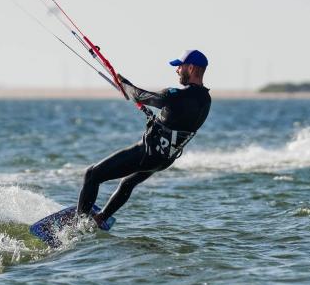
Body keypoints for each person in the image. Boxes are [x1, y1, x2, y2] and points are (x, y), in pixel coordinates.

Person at [77, 49, 212, 228]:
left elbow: (142, 96)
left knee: (92, 174)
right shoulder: (205, 99)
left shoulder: (178, 96)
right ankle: (101, 217)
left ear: (192, 67)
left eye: (180, 66)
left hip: (148, 153)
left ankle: (76, 225)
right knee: (127, 182)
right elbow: (177, 121)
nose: (177, 70)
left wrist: (124, 83)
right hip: (165, 159)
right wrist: (156, 119)